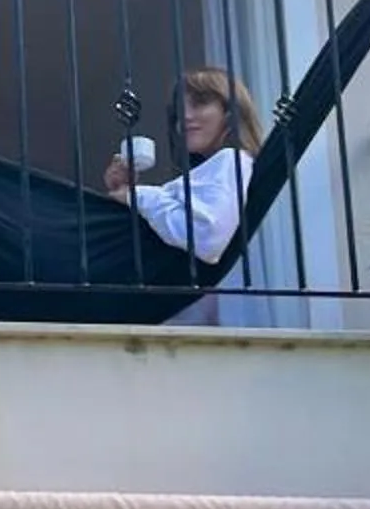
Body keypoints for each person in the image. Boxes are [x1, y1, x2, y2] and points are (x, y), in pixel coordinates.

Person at [103, 66, 266, 323]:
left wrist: (137, 197)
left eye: (200, 104)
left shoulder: (230, 159)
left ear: (230, 113)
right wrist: (124, 192)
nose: (186, 118)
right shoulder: (217, 168)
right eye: (180, 111)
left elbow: (206, 236)